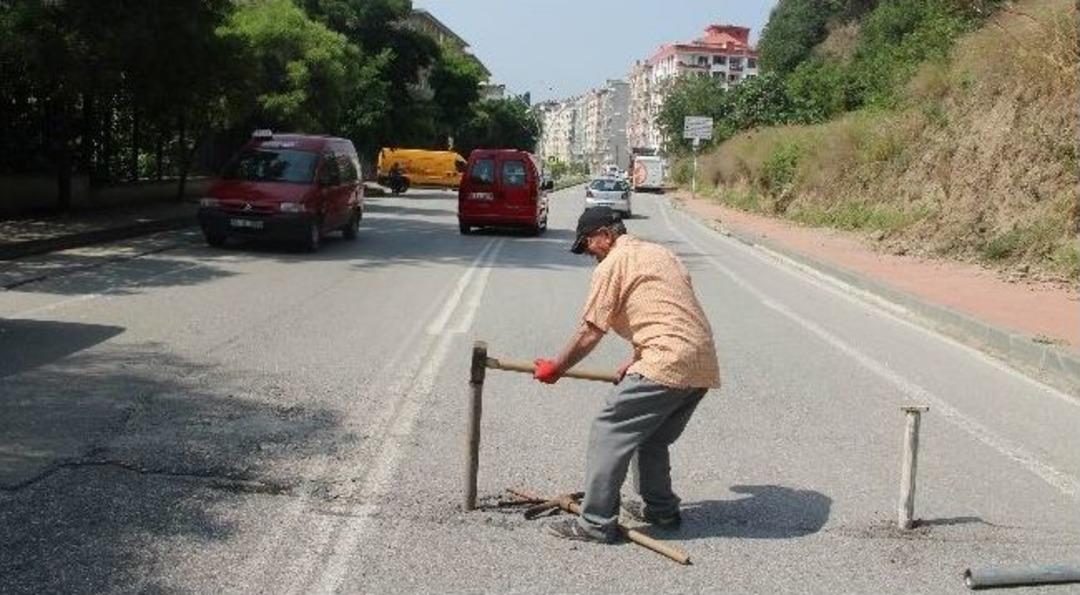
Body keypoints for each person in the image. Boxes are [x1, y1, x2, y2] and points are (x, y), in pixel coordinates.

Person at [534, 207, 721, 543]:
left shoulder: (613, 263)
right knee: (652, 438)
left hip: (666, 360)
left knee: (609, 430)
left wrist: (556, 368)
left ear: (607, 235)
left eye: (588, 243)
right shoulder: (661, 253)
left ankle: (595, 523)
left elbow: (590, 331)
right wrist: (637, 357)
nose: (588, 251)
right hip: (701, 362)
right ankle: (662, 510)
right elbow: (668, 309)